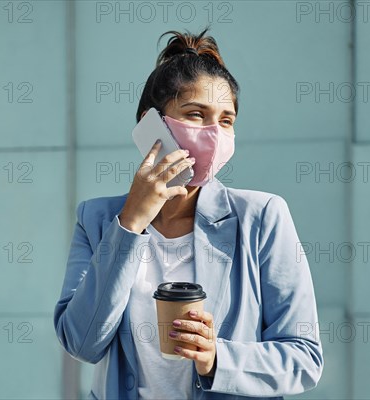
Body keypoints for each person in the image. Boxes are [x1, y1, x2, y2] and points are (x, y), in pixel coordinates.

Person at [53, 27, 323, 400]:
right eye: (196, 114)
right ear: (151, 123)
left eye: (226, 120)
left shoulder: (262, 217)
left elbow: (303, 359)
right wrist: (129, 224)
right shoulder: (97, 219)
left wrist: (218, 358)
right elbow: (82, 343)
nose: (214, 134)